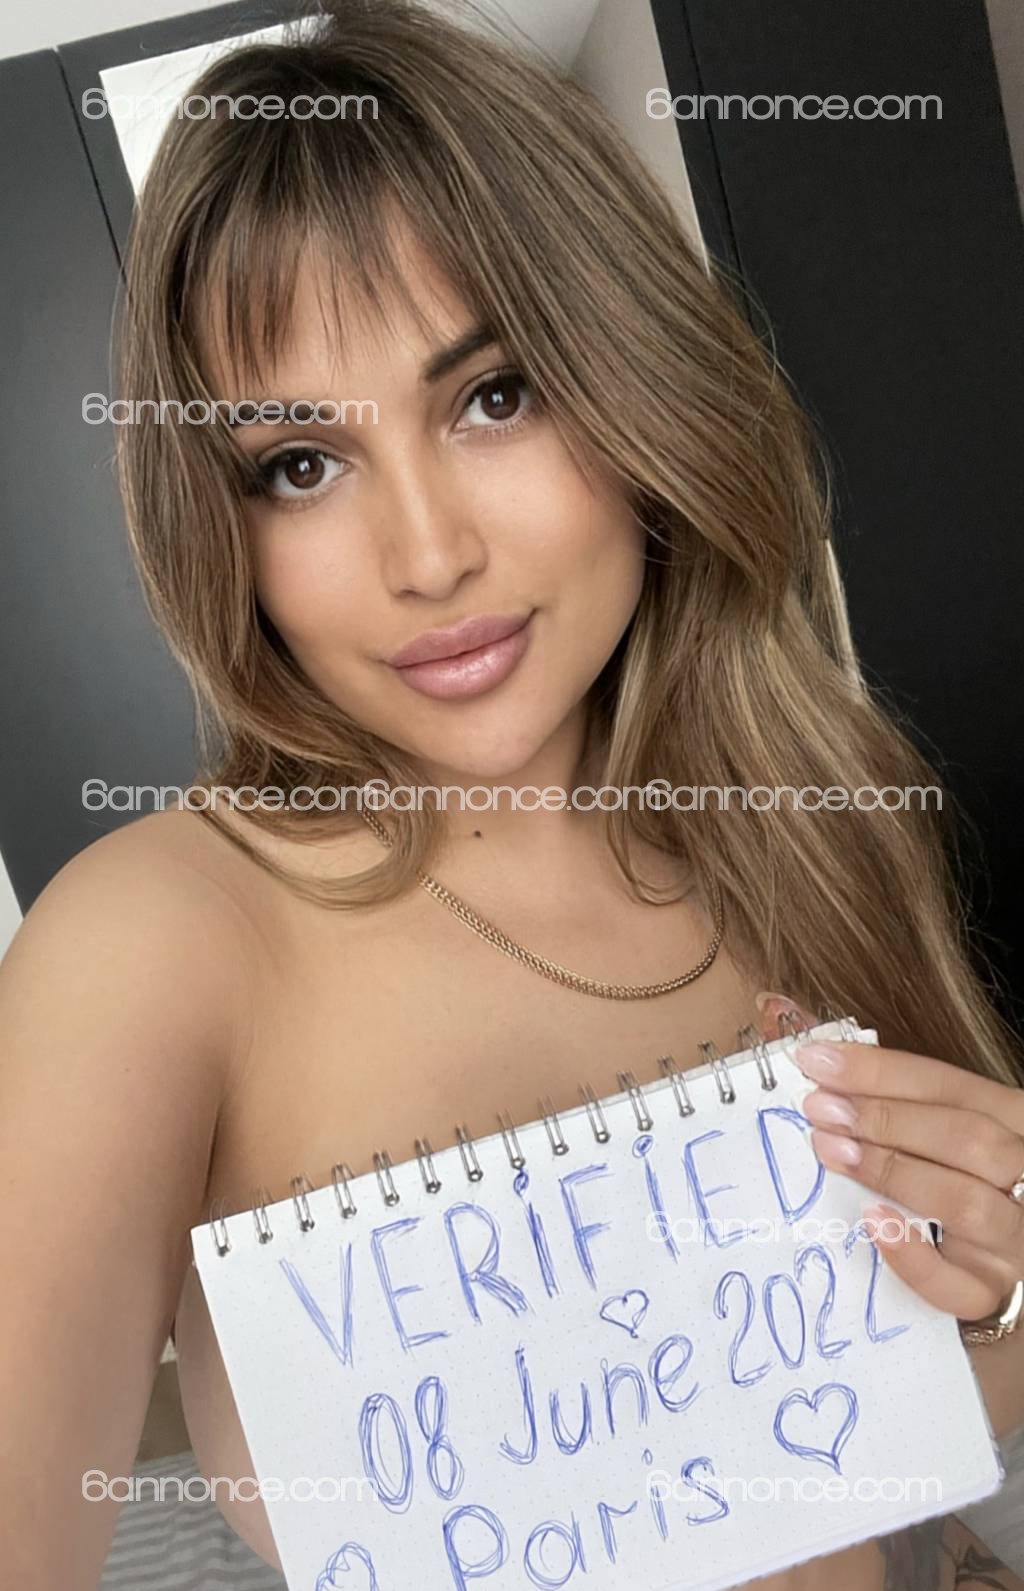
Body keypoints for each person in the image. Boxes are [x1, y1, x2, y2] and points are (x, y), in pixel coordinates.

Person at [2, 2, 1022, 1586]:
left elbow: (907, 1455)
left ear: (636, 383)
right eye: (298, 464)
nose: (428, 557)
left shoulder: (814, 815)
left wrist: (1004, 1297)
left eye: (495, 397)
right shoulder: (154, 943)